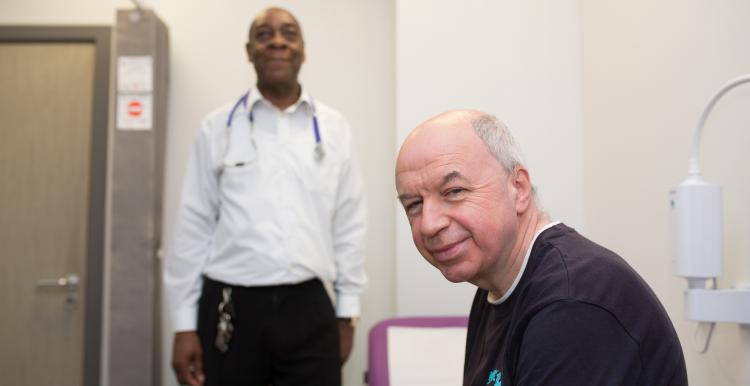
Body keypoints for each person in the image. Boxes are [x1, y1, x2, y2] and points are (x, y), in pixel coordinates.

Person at [394, 110, 687, 385]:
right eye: (414, 205)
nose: (429, 224)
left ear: (519, 188)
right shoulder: (495, 288)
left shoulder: (571, 304)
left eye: (454, 191)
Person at [164, 7, 367, 386]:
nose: (276, 40)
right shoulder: (216, 129)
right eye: (264, 34)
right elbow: (193, 228)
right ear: (249, 50)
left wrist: (347, 313)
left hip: (310, 309)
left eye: (288, 33)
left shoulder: (334, 129)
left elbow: (349, 227)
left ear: (302, 50)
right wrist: (184, 326)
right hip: (231, 309)